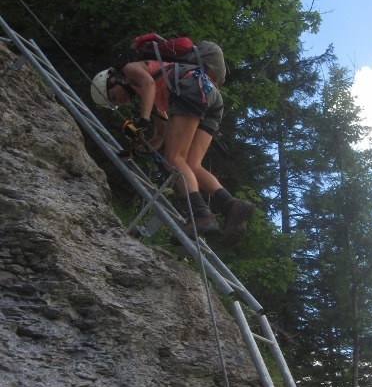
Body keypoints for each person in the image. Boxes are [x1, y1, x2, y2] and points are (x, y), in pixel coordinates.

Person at [91, 58, 255, 246]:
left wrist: (142, 120)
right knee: (192, 164)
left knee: (174, 158)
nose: (118, 102)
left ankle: (202, 215)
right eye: (114, 104)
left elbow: (149, 83)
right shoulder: (151, 99)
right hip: (210, 95)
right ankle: (231, 204)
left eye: (112, 97)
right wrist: (135, 151)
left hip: (193, 87)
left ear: (112, 81)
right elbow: (160, 136)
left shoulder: (129, 70)